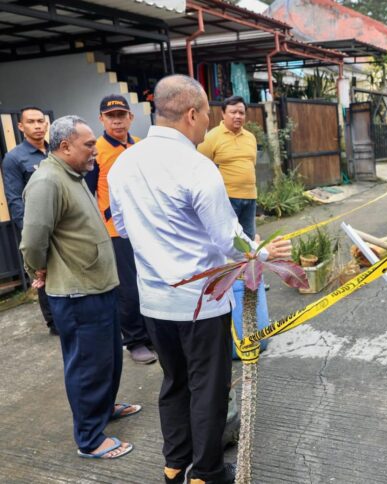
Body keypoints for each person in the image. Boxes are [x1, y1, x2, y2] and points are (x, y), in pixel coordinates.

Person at [108, 75, 291, 484]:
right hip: (201, 300)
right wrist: (261, 252)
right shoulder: (197, 167)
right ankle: (206, 472)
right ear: (192, 114)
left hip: (154, 299)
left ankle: (175, 465)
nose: (208, 121)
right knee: (208, 386)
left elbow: (120, 224)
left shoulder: (125, 164)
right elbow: (228, 239)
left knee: (175, 382)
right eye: (207, 113)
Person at [20, 115, 139, 460]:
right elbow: (32, 241)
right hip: (77, 293)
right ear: (65, 145)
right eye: (89, 145)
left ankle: (103, 409)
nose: (95, 152)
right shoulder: (47, 182)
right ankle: (89, 438)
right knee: (87, 365)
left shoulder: (71, 174)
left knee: (108, 358)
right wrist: (37, 269)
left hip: (97, 286)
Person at [84, 94, 157, 365]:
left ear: (131, 117)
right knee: (128, 289)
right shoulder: (97, 150)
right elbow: (88, 191)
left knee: (149, 282)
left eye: (121, 115)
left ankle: (152, 335)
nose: (117, 121)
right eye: (111, 116)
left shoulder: (139, 146)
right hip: (116, 231)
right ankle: (135, 340)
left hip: (146, 228)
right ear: (101, 119)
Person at [2, 106, 56, 334]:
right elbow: (15, 199)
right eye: (31, 122)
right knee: (44, 272)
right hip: (37, 227)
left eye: (40, 121)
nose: (37, 126)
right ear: (21, 126)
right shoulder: (14, 158)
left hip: (61, 224)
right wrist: (30, 232)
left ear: (46, 124)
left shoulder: (55, 150)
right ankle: (54, 322)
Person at [197, 95, 259, 240]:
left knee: (248, 238)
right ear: (223, 113)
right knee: (227, 239)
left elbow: (251, 164)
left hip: (250, 197)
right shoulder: (211, 137)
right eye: (233, 112)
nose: (238, 116)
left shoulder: (250, 137)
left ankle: (247, 264)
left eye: (241, 113)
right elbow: (200, 168)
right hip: (226, 199)